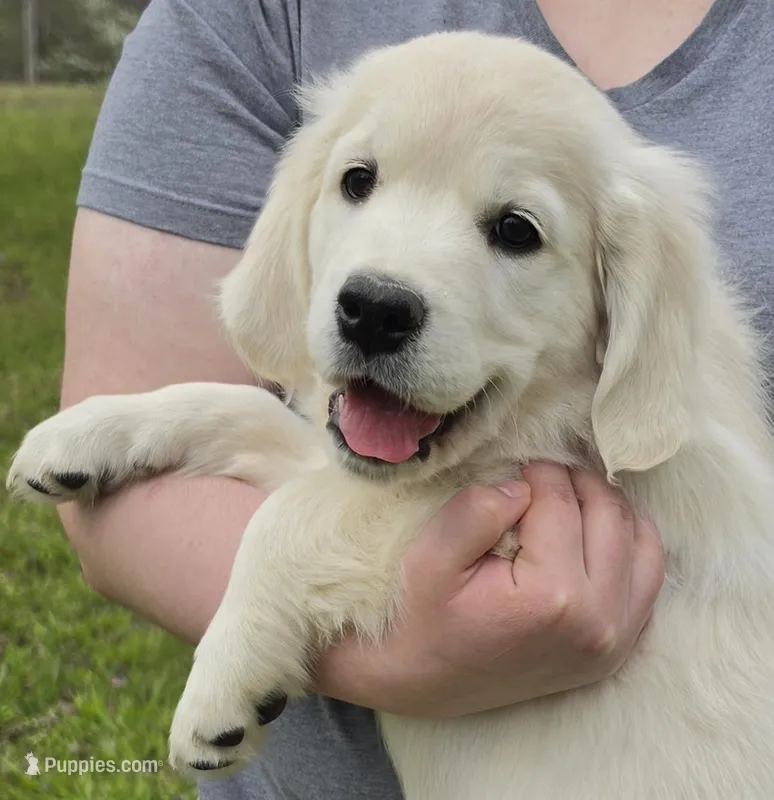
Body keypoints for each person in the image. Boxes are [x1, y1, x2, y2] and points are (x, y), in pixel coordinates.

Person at [55, 0, 773, 798]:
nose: (386, 288)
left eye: (513, 231)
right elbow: (400, 503)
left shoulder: (676, 458)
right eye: (360, 180)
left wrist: (283, 573)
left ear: (621, 303)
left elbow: (499, 524)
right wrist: (207, 420)